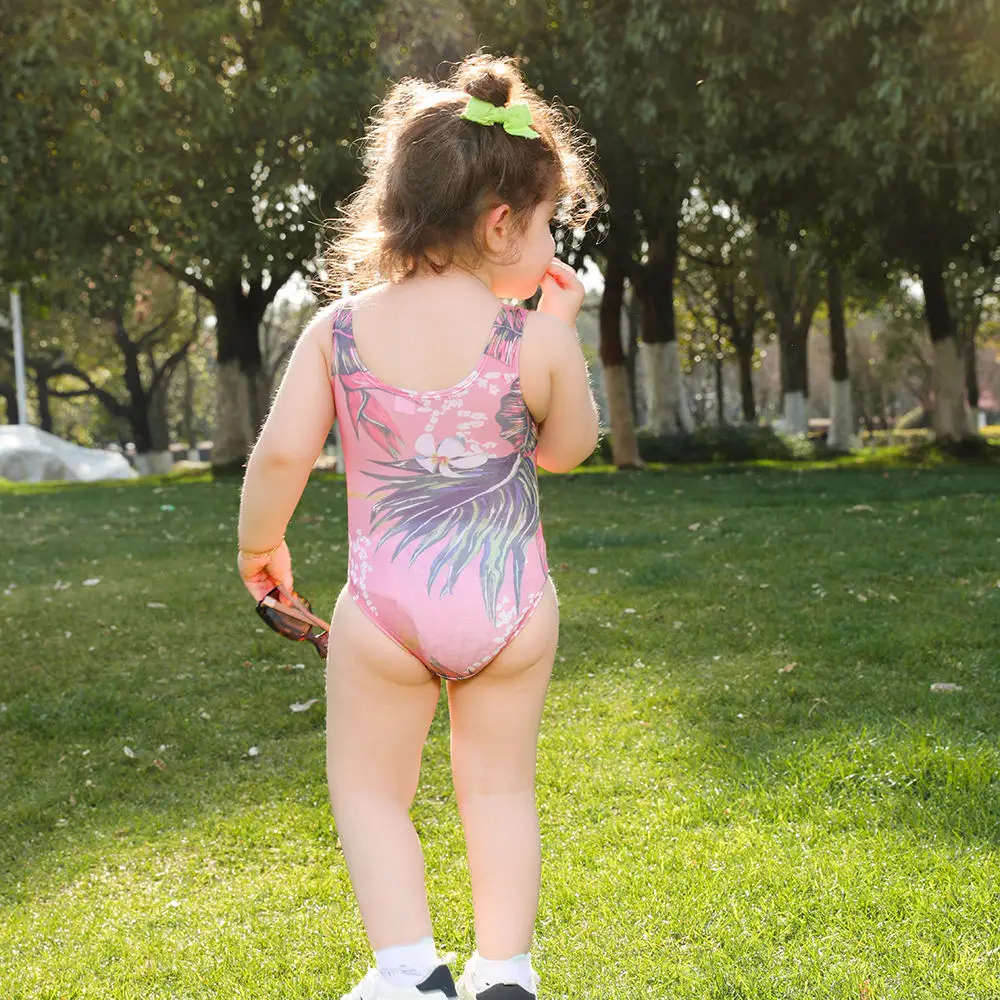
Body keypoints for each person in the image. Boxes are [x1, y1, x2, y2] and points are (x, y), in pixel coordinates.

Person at [237, 52, 600, 1000]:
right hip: (510, 606)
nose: (552, 241)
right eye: (548, 223)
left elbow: (280, 457)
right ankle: (505, 971)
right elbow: (569, 450)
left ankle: (408, 971)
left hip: (386, 610)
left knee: (369, 791)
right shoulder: (534, 338)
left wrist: (259, 546)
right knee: (499, 787)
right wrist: (562, 332)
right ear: (500, 224)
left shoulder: (338, 332)